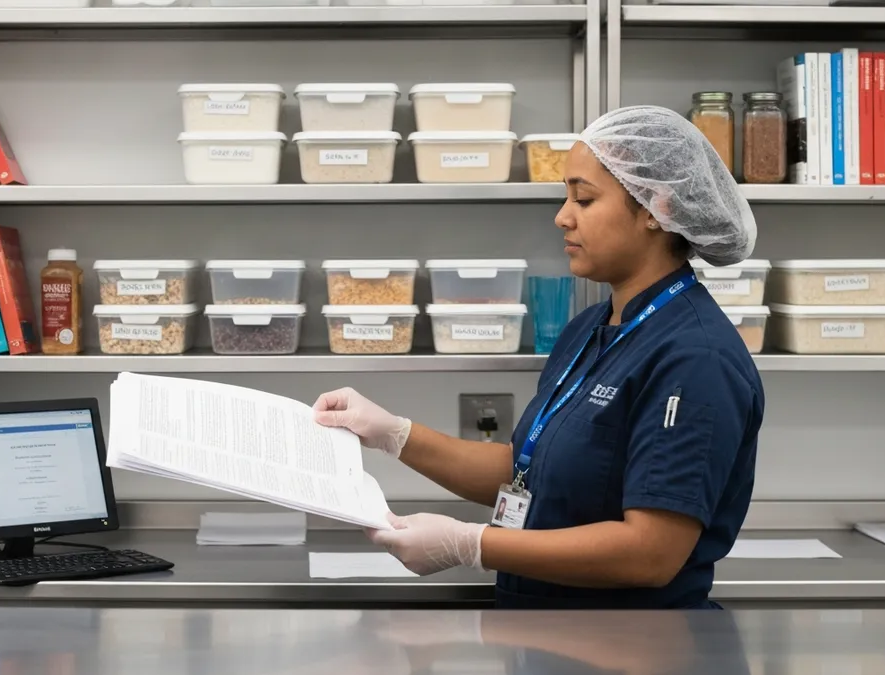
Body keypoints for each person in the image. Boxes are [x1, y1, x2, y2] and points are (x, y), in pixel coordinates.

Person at [313, 105, 765, 610]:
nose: (562, 216)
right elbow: (530, 471)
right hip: (546, 628)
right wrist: (394, 434)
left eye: (584, 198)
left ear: (656, 209)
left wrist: (472, 544)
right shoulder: (592, 328)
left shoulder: (695, 358)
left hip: (633, 642)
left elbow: (650, 553)